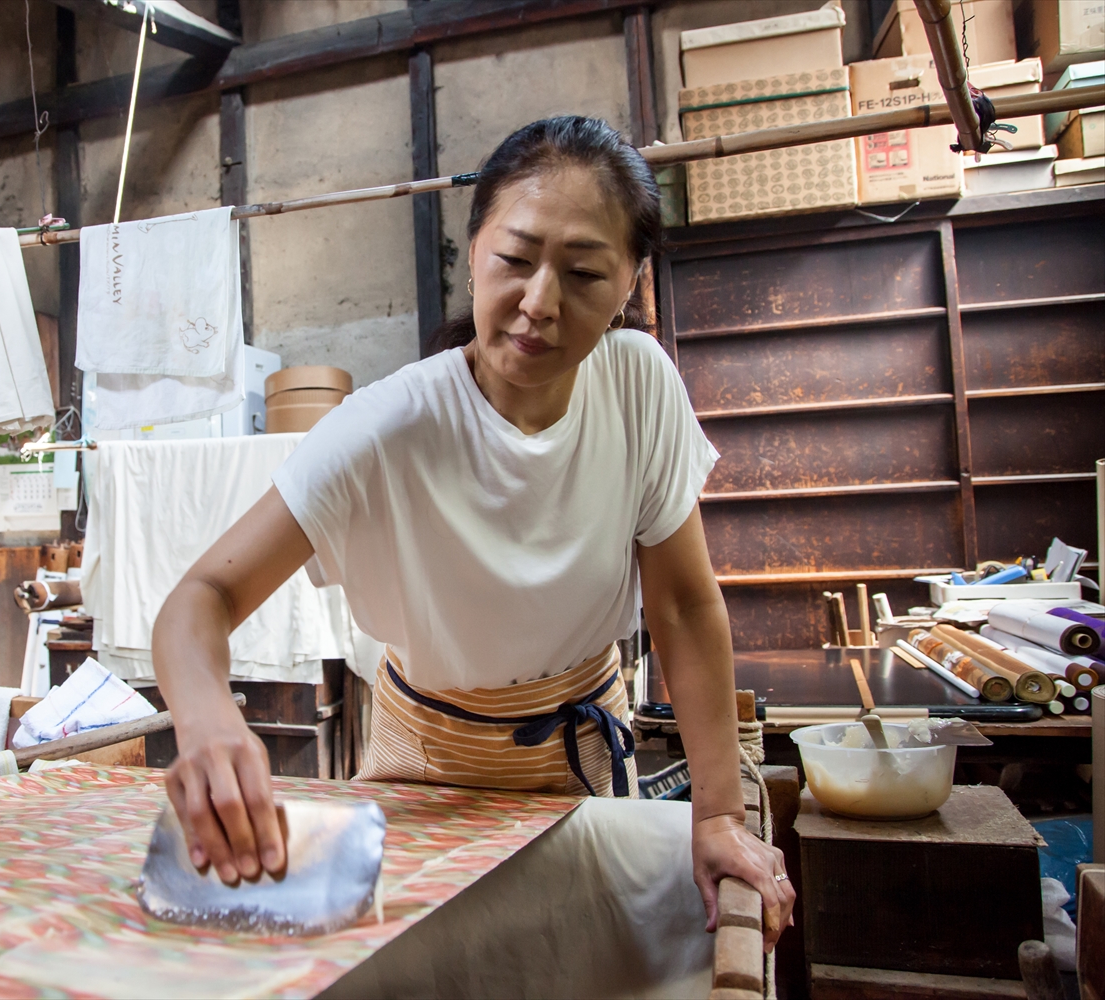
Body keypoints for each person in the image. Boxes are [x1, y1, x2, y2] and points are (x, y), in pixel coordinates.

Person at [151, 115, 794, 984]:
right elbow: (202, 598)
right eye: (516, 259)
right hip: (426, 774)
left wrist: (718, 816)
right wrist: (207, 720)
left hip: (582, 761)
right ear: (473, 248)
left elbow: (682, 604)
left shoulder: (638, 384)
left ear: (630, 281)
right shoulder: (389, 426)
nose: (539, 302)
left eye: (583, 273)